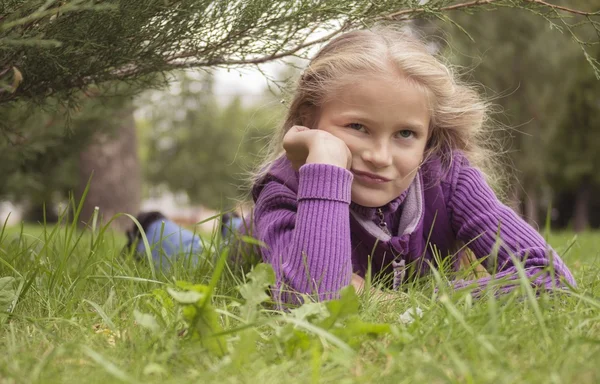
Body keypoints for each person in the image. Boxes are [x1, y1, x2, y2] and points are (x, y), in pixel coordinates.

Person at [129, 25, 576, 305]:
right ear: (309, 119)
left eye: (406, 134)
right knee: (201, 256)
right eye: (357, 127)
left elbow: (548, 275)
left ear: (429, 136)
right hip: (261, 250)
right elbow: (314, 299)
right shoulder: (284, 190)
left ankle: (232, 224)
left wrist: (403, 301)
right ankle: (154, 230)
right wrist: (324, 168)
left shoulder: (447, 176)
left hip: (314, 248)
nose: (380, 157)